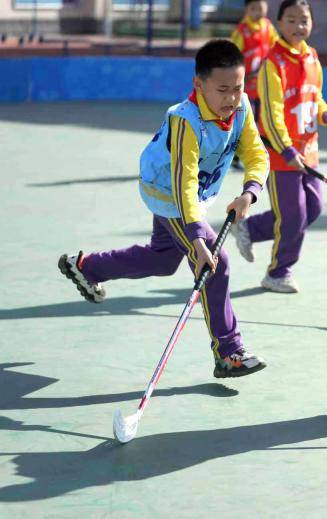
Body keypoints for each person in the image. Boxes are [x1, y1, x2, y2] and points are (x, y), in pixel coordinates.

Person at [58, 40, 269, 378]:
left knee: (162, 259)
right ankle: (229, 353)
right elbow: (183, 183)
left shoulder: (241, 107)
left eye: (238, 87)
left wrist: (250, 191)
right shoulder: (185, 120)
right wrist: (199, 239)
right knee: (215, 262)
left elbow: (256, 153)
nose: (231, 97)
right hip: (169, 193)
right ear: (199, 84)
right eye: (223, 89)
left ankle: (87, 267)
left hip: (191, 196)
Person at [231, 0, 327, 294]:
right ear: (280, 23)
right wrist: (286, 150)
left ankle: (250, 229)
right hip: (281, 155)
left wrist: (325, 113)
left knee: (313, 209)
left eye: (303, 20)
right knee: (293, 216)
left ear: (312, 23)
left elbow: (314, 98)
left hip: (310, 151)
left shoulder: (312, 57)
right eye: (291, 20)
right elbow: (271, 113)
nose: (298, 26)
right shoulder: (273, 63)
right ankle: (278, 272)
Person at [229, 0, 280, 170]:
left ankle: (258, 155)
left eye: (261, 7)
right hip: (245, 87)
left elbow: (277, 47)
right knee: (244, 121)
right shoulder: (241, 31)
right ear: (246, 10)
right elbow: (233, 57)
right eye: (253, 8)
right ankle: (235, 157)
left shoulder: (268, 27)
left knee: (263, 120)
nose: (258, 11)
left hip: (263, 86)